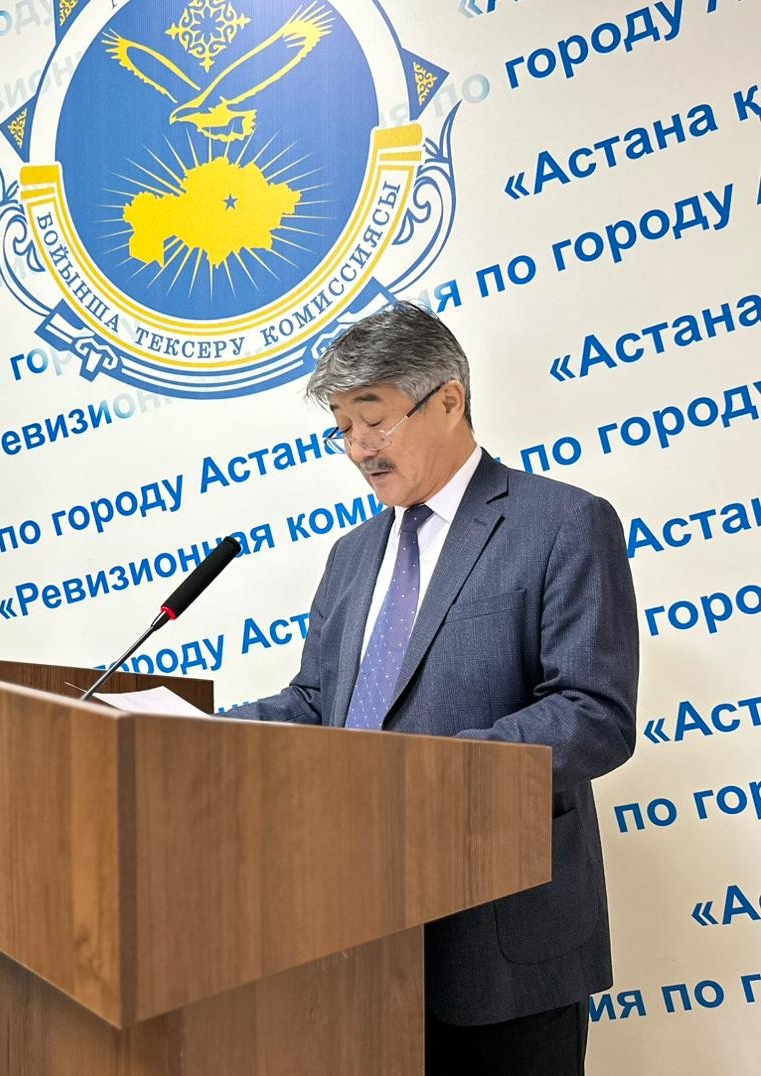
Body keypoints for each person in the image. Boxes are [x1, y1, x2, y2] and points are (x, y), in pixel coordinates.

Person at [229, 302, 638, 1075]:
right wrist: (198, 729)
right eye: (342, 429)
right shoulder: (351, 555)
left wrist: (426, 774)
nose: (358, 449)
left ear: (449, 400)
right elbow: (318, 704)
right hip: (359, 936)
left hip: (500, 938)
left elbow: (594, 712)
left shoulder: (561, 522)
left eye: (374, 420)